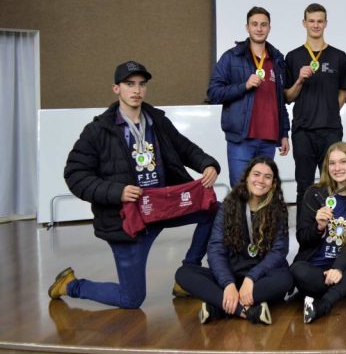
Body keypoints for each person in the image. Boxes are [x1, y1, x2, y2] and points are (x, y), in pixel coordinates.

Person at [48, 61, 220, 309]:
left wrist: (208, 164)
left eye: (141, 84)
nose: (136, 90)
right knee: (131, 299)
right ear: (116, 88)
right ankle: (71, 285)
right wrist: (117, 192)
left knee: (214, 210)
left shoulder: (157, 121)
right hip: (128, 219)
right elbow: (75, 175)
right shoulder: (97, 131)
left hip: (162, 207)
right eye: (129, 84)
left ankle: (188, 275)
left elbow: (185, 148)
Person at [175, 157, 293, 325]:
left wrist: (251, 278)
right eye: (256, 174)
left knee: (285, 279)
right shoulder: (229, 205)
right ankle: (247, 310)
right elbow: (216, 248)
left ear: (273, 183)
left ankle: (219, 306)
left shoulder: (278, 209)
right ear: (247, 177)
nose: (261, 180)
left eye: (267, 177)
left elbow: (279, 251)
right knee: (184, 273)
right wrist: (228, 283)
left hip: (261, 278)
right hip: (232, 274)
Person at [290, 142, 346, 323]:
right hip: (318, 270)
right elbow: (302, 238)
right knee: (297, 270)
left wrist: (338, 268)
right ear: (326, 167)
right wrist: (318, 227)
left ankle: (326, 302)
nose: (337, 168)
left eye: (343, 162)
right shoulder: (314, 193)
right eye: (332, 163)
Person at [207, 6, 290, 187]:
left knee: (263, 193)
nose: (259, 29)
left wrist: (284, 133)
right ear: (247, 27)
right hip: (241, 139)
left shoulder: (277, 59)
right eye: (254, 24)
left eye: (263, 25)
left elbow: (280, 101)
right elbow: (213, 93)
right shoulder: (231, 57)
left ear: (269, 28)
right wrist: (244, 86)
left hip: (269, 140)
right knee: (240, 192)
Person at [284, 3, 346, 208]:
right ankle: (305, 227)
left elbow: (344, 90)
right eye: (311, 21)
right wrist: (299, 80)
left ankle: (334, 225)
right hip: (303, 131)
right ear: (304, 23)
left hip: (330, 130)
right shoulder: (293, 57)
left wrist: (330, 110)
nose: (315, 25)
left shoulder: (339, 56)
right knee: (304, 185)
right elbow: (288, 97)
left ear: (325, 24)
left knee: (333, 183)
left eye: (319, 21)